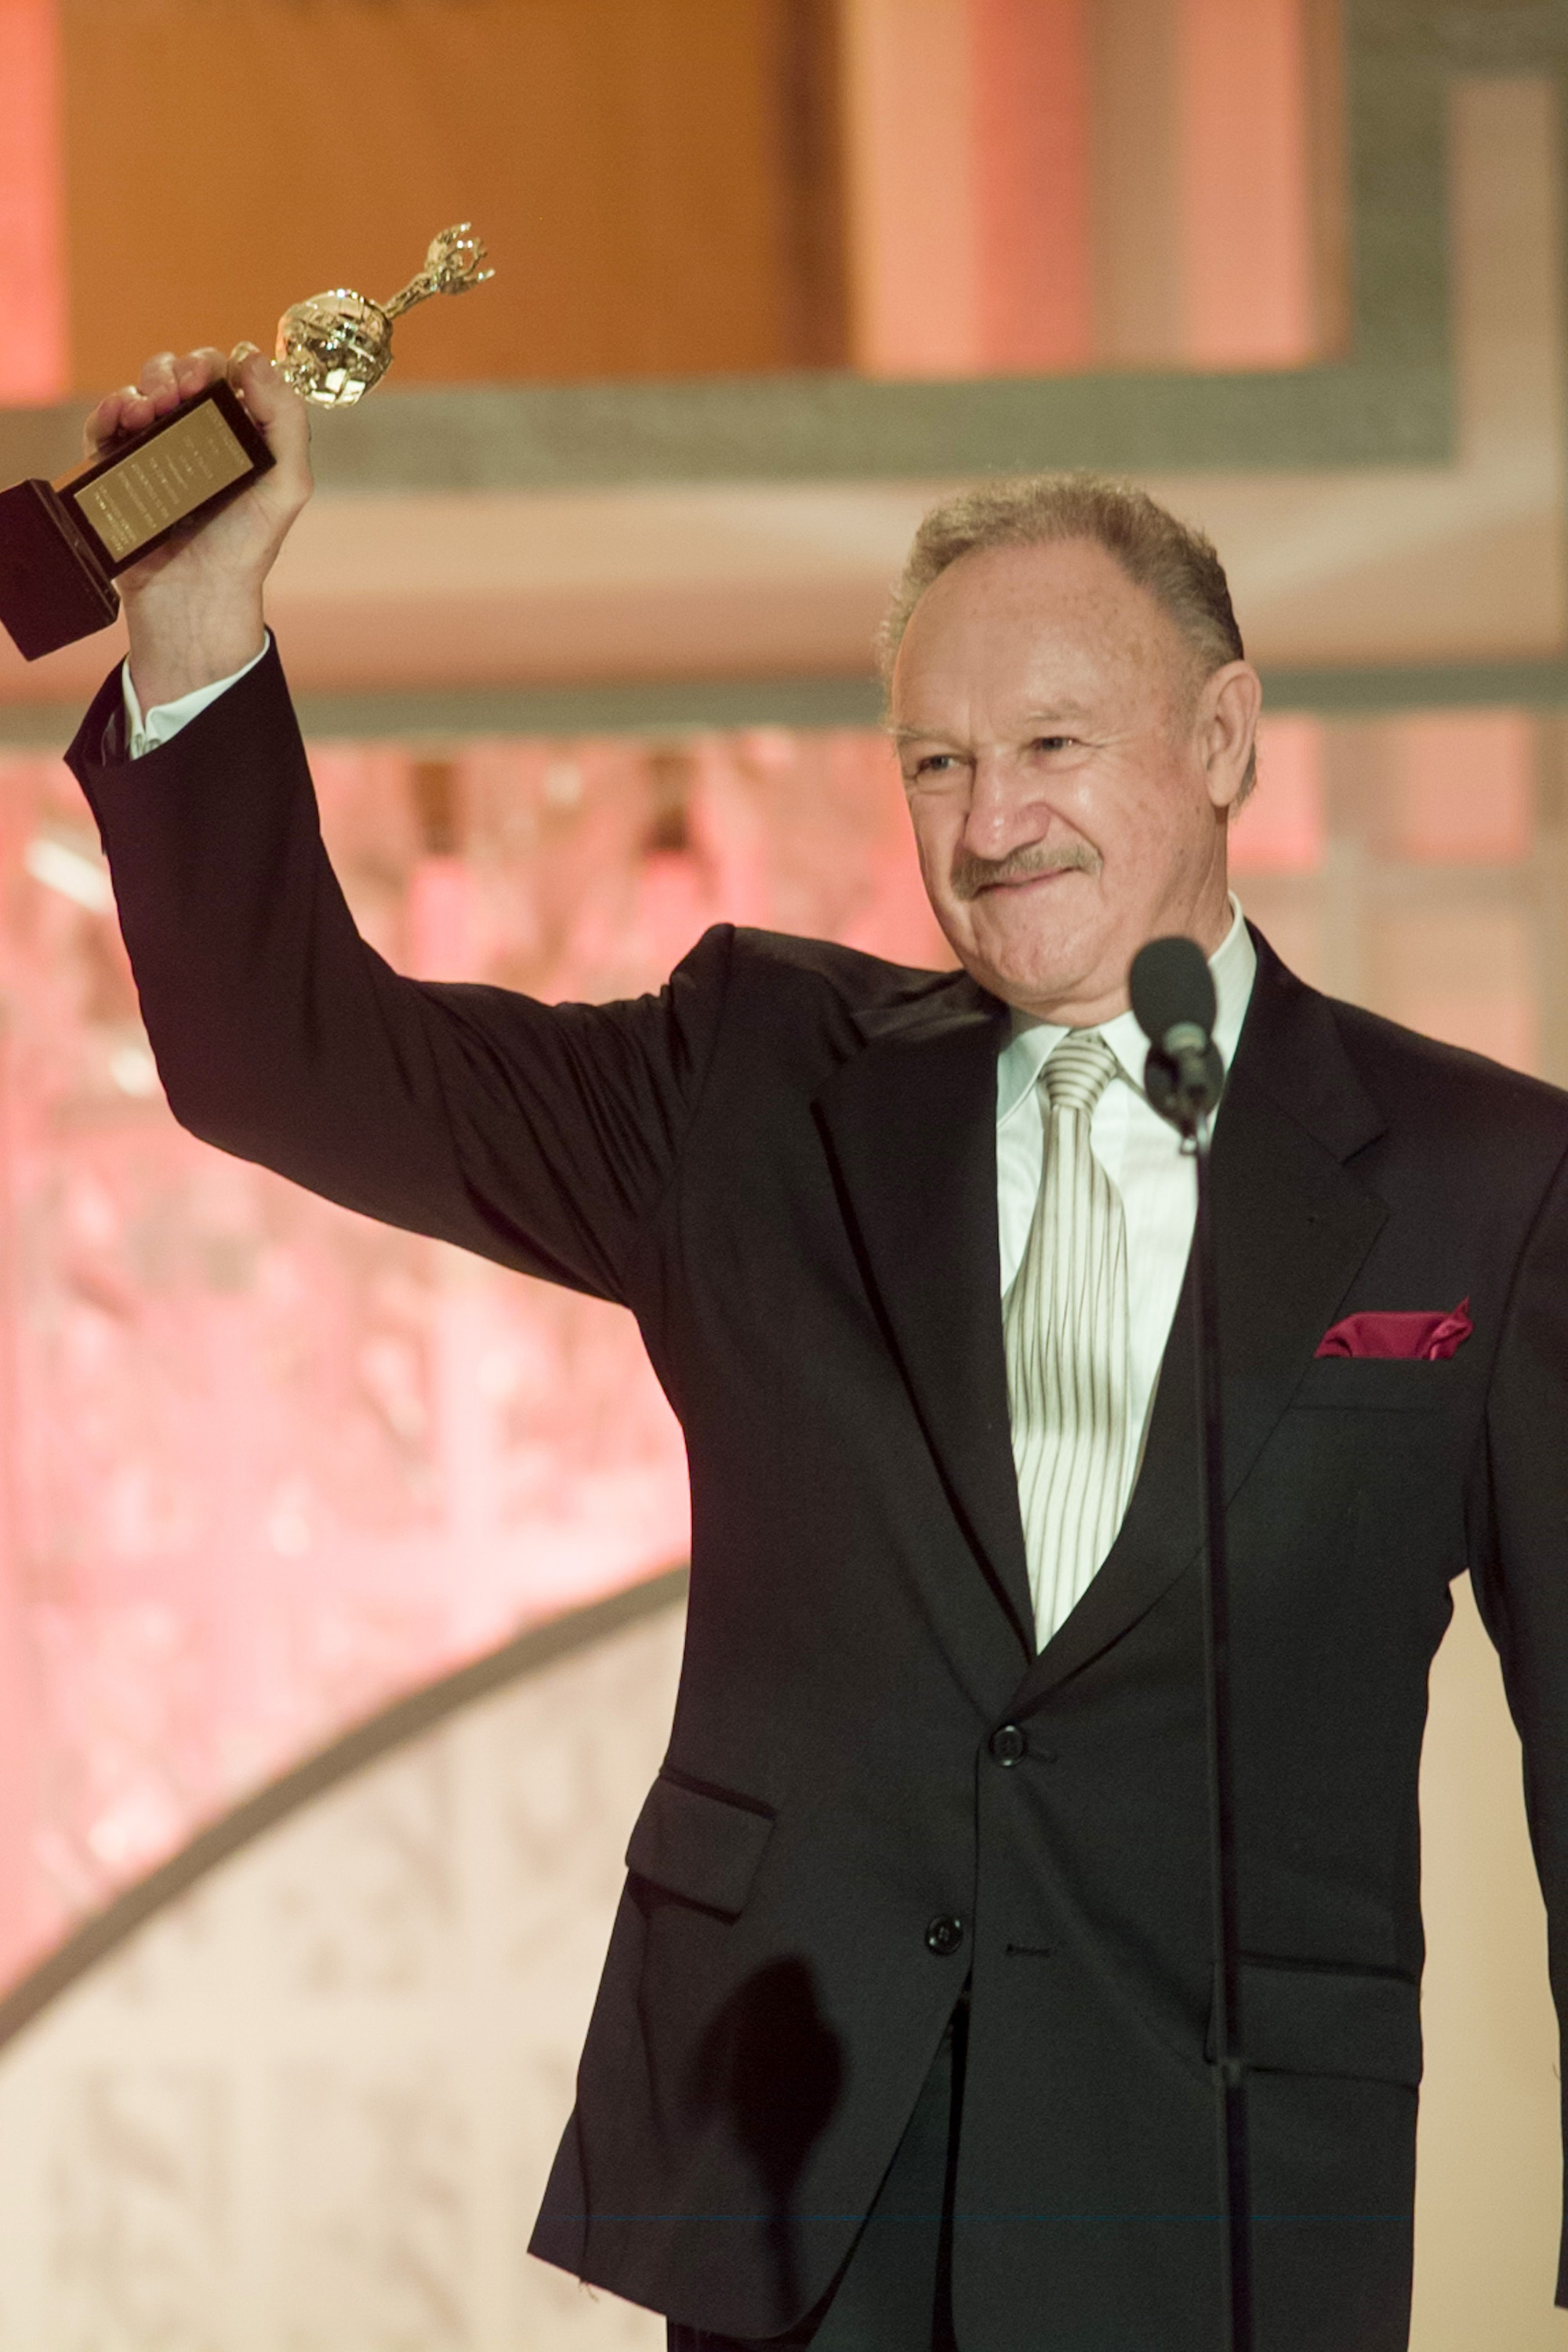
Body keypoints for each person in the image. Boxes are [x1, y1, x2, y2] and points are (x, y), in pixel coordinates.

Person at [69, 348, 1568, 2352]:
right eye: (933, 763)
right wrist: (194, 627)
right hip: (797, 2194)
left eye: (1050, 743)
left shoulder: (1489, 1177)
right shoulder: (751, 1086)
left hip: (1215, 2213)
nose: (990, 821)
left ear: (1223, 736)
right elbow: (285, 1058)